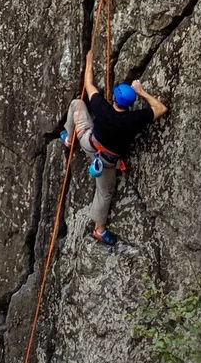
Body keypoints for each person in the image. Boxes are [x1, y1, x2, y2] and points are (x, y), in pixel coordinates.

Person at [62, 45, 167, 246]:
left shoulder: (102, 108)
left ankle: (68, 139)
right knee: (104, 193)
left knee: (77, 104)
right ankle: (99, 230)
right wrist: (142, 92)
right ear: (130, 104)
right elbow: (161, 108)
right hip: (107, 162)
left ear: (114, 99)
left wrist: (90, 60)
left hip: (89, 143)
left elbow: (88, 83)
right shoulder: (135, 119)